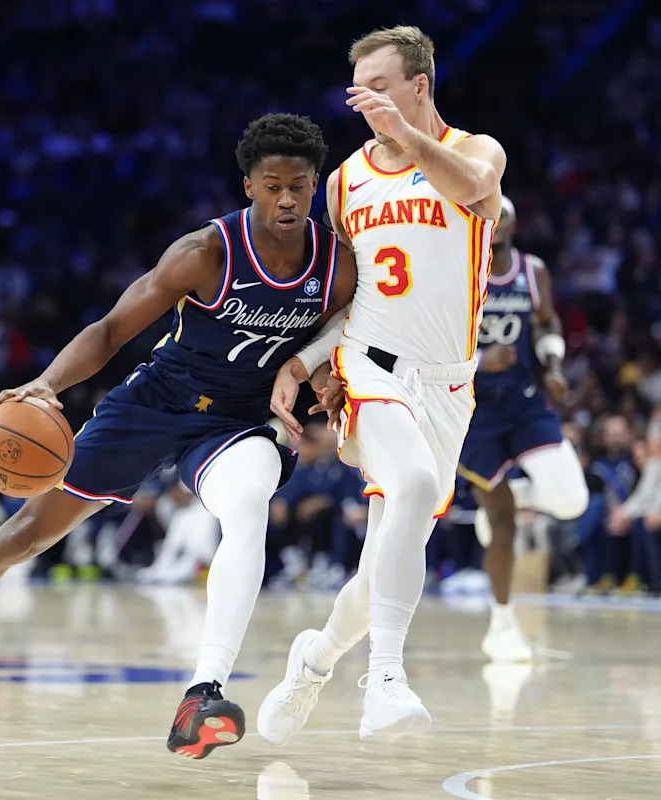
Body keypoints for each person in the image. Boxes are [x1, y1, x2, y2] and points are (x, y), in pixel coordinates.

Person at [0, 113, 357, 761]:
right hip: (156, 401)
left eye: (301, 186)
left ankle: (203, 693)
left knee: (248, 509)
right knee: (27, 532)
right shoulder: (204, 254)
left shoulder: (336, 266)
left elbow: (347, 338)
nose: (287, 198)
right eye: (273, 184)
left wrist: (329, 378)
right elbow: (112, 330)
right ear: (248, 185)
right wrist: (46, 387)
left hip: (238, 420)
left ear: (316, 187)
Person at [260, 25, 507, 744]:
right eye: (358, 87)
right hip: (371, 369)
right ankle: (387, 680)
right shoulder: (342, 182)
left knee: (383, 566)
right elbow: (343, 299)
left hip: (449, 386)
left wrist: (406, 134)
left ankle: (314, 660)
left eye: (380, 85)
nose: (364, 99)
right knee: (413, 490)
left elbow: (477, 191)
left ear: (419, 85)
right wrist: (307, 365)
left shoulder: (474, 150)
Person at [453, 196, 588, 662]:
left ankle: (525, 494)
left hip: (526, 402)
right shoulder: (457, 273)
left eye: (500, 215)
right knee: (503, 525)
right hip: (473, 411)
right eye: (485, 217)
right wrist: (478, 363)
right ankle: (502, 626)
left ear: (511, 223)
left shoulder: (534, 272)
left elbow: (548, 324)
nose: (494, 223)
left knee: (573, 502)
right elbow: (431, 346)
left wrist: (553, 364)